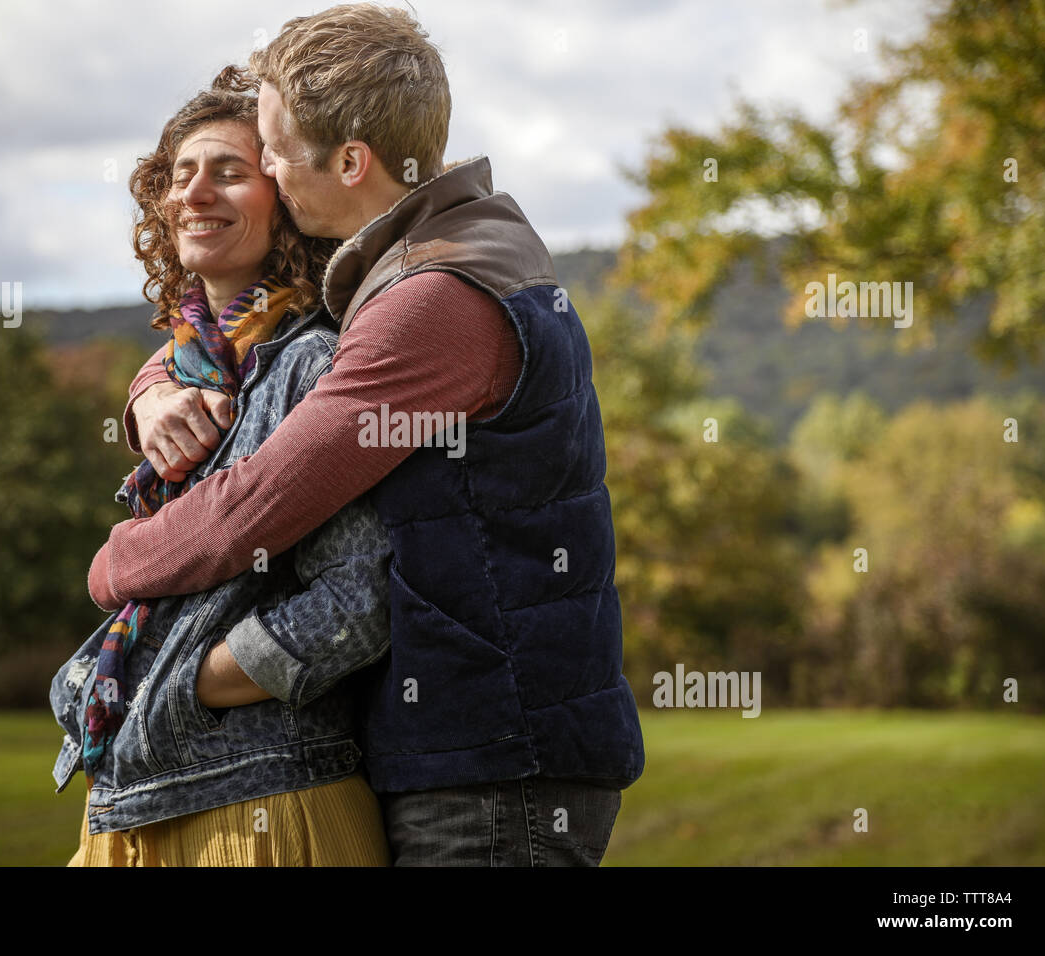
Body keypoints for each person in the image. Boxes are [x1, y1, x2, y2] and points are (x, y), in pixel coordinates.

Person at [89, 4, 646, 866]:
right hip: (473, 750)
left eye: (271, 149)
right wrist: (152, 388)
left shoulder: (432, 297)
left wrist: (115, 566)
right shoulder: (439, 256)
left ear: (351, 161)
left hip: (492, 762)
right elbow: (250, 354)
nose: (268, 169)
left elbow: (260, 503)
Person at [49, 66, 392, 866]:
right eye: (180, 174)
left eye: (230, 172)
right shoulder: (185, 370)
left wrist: (176, 680)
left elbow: (357, 602)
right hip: (125, 795)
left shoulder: (317, 363)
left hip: (265, 806)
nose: (195, 193)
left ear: (288, 201)